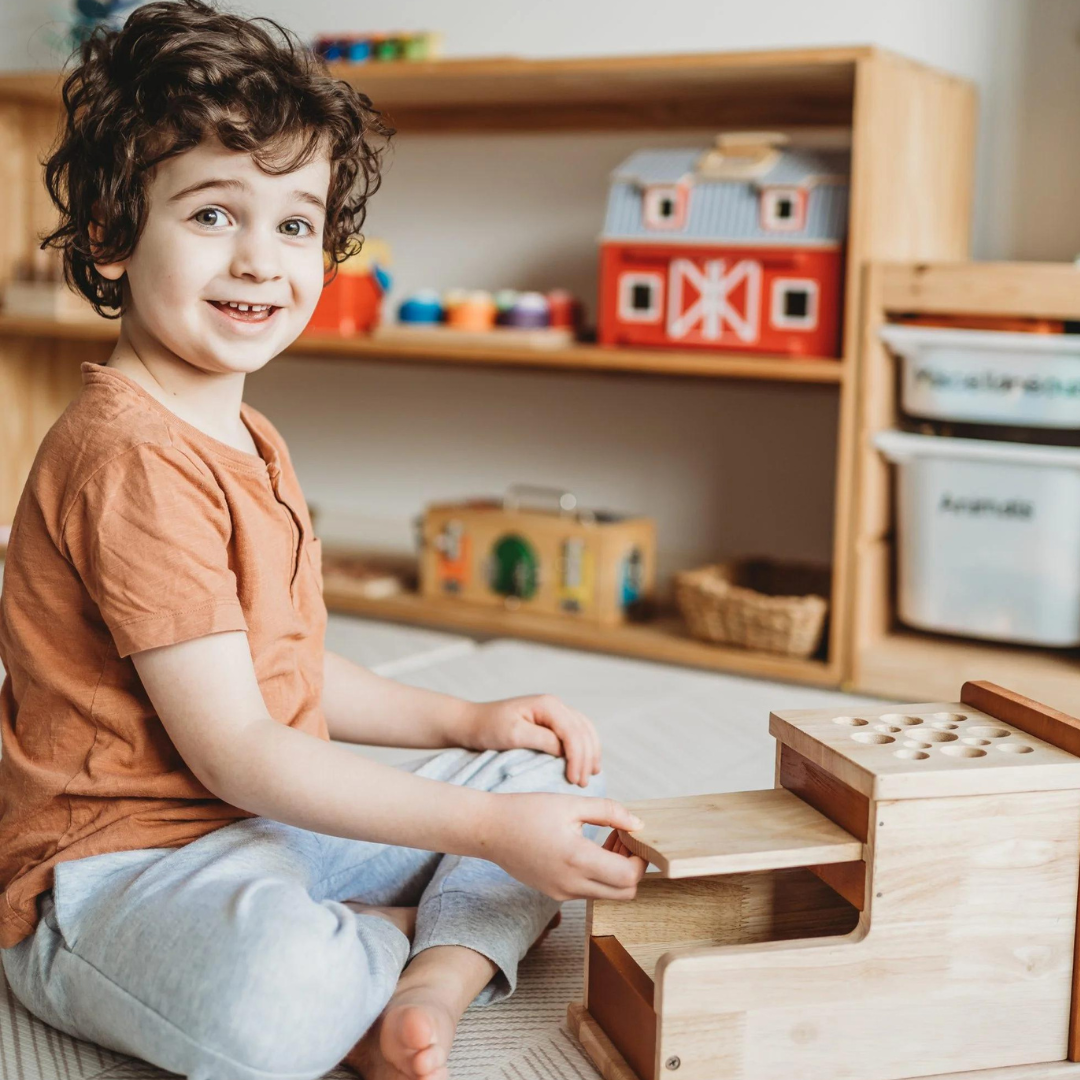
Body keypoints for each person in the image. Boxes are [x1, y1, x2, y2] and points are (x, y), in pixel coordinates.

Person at [0, 3, 648, 1078]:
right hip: (117, 871)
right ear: (113, 232)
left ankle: (421, 982)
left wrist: (467, 717)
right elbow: (239, 749)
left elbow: (283, 672)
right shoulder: (127, 458)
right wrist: (481, 843)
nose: (261, 260)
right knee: (277, 994)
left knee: (543, 798)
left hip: (269, 826)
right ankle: (394, 952)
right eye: (213, 215)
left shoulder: (245, 433)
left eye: (295, 225)